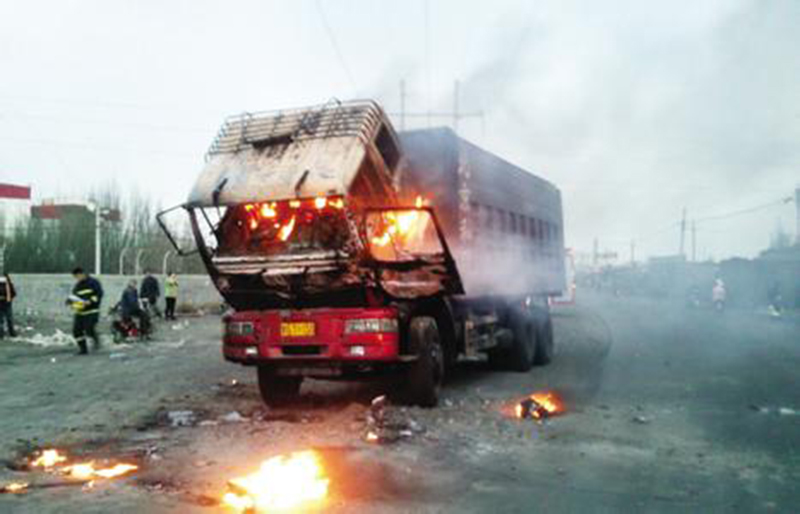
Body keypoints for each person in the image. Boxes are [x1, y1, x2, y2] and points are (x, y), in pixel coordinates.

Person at [69, 267, 104, 354]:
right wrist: (70, 302)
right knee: (76, 331)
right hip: (80, 312)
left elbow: (99, 294)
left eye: (78, 276)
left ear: (82, 274)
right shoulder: (78, 286)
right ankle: (83, 349)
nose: (77, 278)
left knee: (89, 329)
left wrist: (90, 301)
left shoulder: (93, 282)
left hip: (92, 311)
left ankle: (96, 340)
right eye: (75, 277)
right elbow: (73, 296)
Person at [0, 272, 17, 338]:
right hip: (0, 304)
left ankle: (12, 333)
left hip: (7, 304)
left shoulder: (9, 285)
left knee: (9, 319)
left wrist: (9, 298)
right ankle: (1, 334)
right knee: (1, 320)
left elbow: (14, 293)